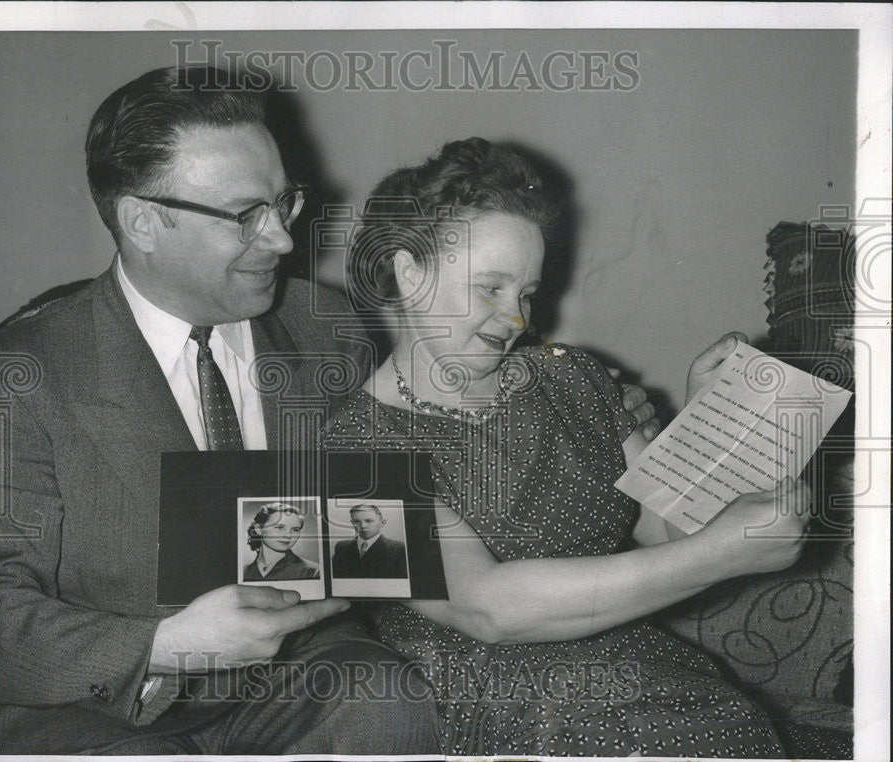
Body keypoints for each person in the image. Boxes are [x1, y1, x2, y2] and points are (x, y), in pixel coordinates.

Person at [0, 66, 442, 756]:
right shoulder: (14, 376)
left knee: (390, 703)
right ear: (144, 220)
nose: (283, 240)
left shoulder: (327, 326)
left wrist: (548, 401)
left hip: (290, 672)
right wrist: (170, 645)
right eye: (245, 215)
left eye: (283, 202)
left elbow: (374, 518)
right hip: (89, 703)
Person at [323, 137, 812, 757]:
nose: (517, 319)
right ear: (408, 271)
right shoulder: (346, 451)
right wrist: (718, 556)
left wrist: (705, 422)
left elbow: (664, 533)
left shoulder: (572, 376)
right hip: (493, 710)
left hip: (635, 670)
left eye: (525, 293)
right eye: (491, 288)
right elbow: (485, 610)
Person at [244, 502, 319, 581]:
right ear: (259, 529)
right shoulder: (244, 571)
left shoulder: (314, 572)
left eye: (295, 530)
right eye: (280, 527)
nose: (288, 535)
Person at [331, 503, 408, 578]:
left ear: (382, 523)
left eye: (369, 521)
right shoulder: (341, 547)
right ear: (352, 523)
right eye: (356, 521)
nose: (363, 526)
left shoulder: (399, 548)